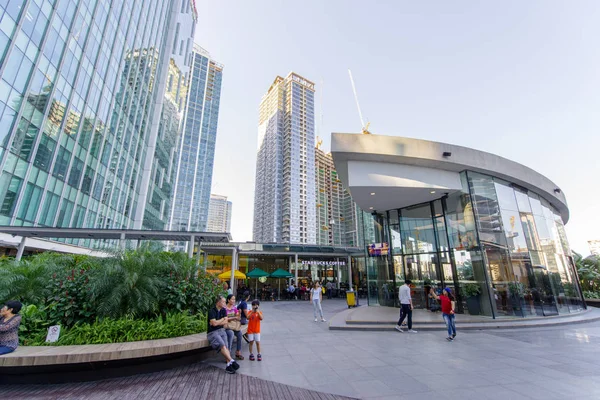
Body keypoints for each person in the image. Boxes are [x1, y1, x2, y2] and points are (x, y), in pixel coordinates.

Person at [208, 296, 240, 374]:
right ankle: (232, 361)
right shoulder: (211, 311)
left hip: (222, 330)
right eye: (223, 302)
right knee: (222, 345)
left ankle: (229, 365)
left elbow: (225, 322)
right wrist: (222, 320)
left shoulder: (223, 310)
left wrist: (219, 321)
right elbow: (214, 324)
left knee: (226, 345)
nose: (225, 303)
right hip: (213, 332)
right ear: (218, 302)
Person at [224, 294, 244, 360]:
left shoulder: (234, 308)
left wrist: (240, 313)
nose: (233, 300)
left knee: (240, 334)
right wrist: (233, 318)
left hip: (233, 326)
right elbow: (225, 319)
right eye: (232, 299)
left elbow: (238, 318)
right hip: (226, 327)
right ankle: (228, 353)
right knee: (231, 334)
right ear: (228, 300)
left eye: (234, 299)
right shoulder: (224, 308)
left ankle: (238, 352)